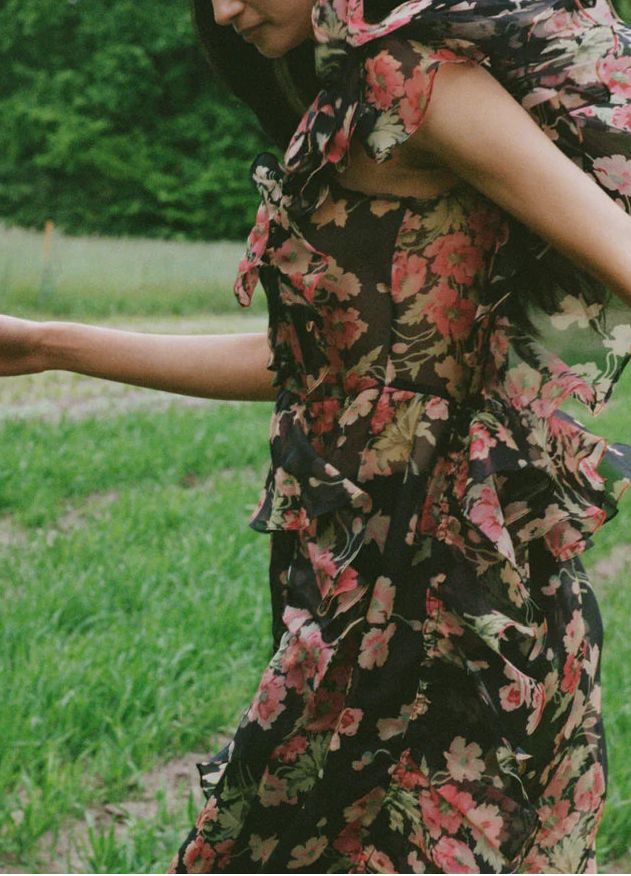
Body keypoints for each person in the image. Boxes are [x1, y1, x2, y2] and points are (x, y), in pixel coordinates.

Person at [2, 0, 631, 871]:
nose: (223, 12)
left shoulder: (412, 79)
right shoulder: (347, 100)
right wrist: (45, 345)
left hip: (440, 589)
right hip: (357, 578)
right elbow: (319, 368)